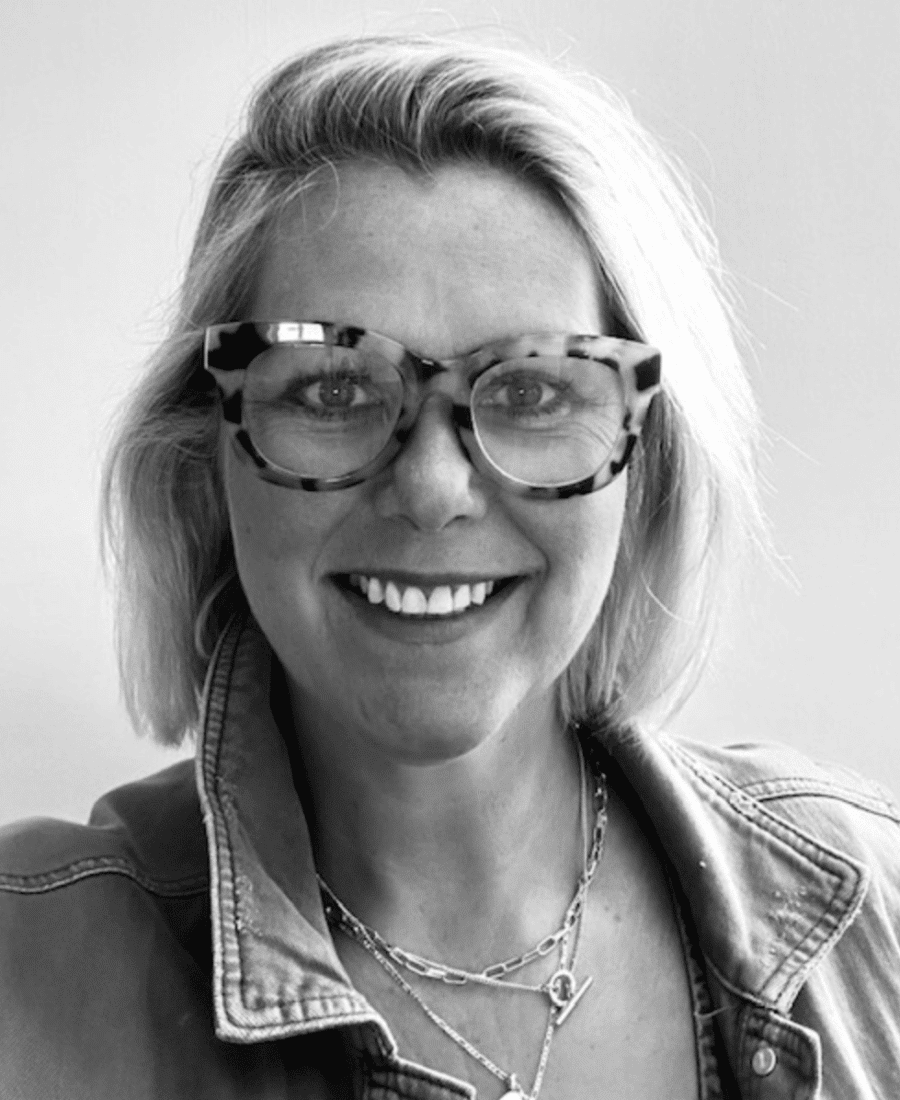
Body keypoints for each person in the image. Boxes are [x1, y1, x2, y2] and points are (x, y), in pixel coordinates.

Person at [1, 33, 898, 1100]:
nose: (432, 489)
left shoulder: (874, 909)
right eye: (334, 390)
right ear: (205, 460)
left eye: (531, 391)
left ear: (643, 462)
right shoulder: (25, 972)